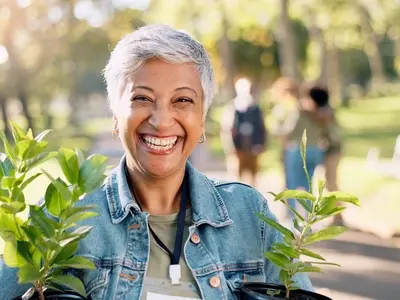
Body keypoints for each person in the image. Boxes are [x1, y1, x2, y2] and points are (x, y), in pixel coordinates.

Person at [0, 24, 312, 299]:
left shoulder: (249, 215)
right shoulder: (61, 217)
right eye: (142, 98)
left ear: (202, 120)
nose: (161, 121)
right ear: (115, 115)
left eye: (183, 100)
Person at [279, 83, 331, 220]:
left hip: (298, 150)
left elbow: (289, 131)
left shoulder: (299, 112)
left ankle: (292, 217)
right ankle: (309, 217)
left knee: (292, 184)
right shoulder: (322, 113)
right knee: (309, 184)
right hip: (315, 150)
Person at [220, 78, 267, 186]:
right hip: (238, 149)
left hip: (253, 148)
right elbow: (227, 130)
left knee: (253, 178)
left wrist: (260, 144)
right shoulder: (232, 108)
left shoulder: (256, 109)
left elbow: (261, 128)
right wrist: (231, 148)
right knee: (235, 178)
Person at [310, 86, 344, 225]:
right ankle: (336, 215)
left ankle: (338, 216)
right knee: (328, 183)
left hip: (333, 150)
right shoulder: (325, 110)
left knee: (331, 183)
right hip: (329, 150)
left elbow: (319, 117)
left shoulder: (326, 111)